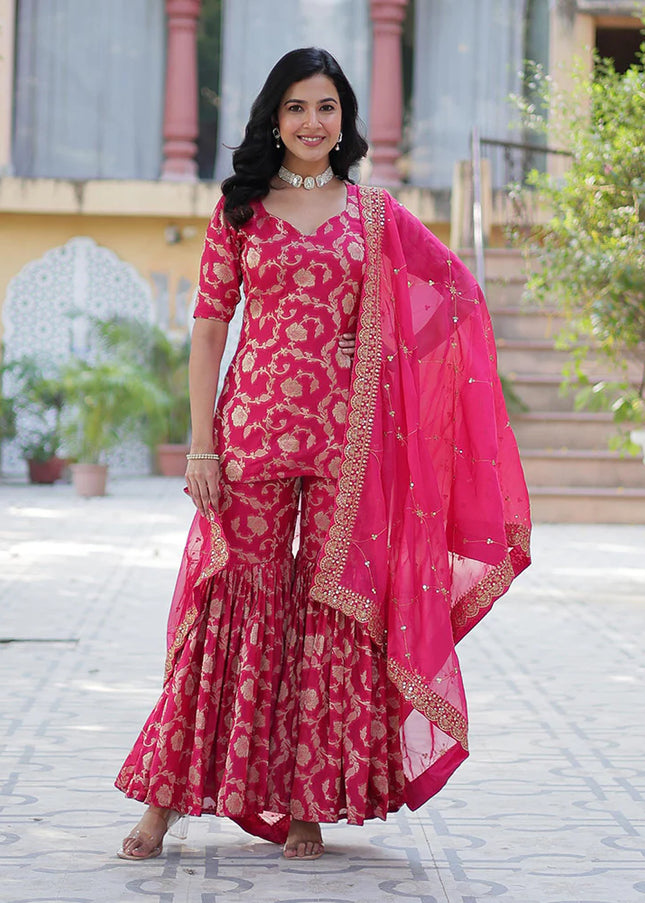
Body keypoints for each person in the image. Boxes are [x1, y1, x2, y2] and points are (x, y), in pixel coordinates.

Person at [115, 47, 531, 862]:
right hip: (252, 430)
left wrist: (377, 349)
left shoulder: (373, 215)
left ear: (344, 121)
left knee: (327, 613)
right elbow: (207, 330)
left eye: (326, 108)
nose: (312, 122)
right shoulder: (239, 209)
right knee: (231, 600)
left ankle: (308, 802)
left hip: (349, 442)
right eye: (298, 107)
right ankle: (164, 801)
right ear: (275, 118)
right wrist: (201, 444)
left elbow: (454, 293)